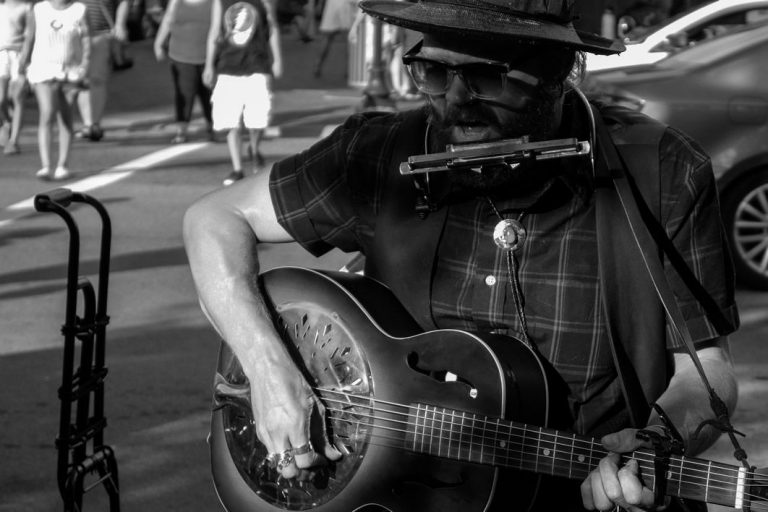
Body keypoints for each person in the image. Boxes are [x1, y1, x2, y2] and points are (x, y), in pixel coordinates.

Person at [183, 0, 739, 510]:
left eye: (484, 76)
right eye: (433, 71)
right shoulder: (379, 155)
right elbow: (213, 220)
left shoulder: (658, 170)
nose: (454, 100)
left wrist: (659, 442)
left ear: (559, 68)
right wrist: (268, 371)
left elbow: (706, 372)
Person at [202, 0, 282, 186]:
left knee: (257, 120)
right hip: (228, 67)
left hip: (257, 65)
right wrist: (208, 65)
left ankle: (254, 149)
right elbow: (214, 32)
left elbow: (273, 28)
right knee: (231, 121)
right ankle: (237, 168)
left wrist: (277, 59)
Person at [20, 0, 89, 180]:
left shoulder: (79, 10)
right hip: (43, 68)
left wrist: (85, 65)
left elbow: (87, 38)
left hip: (70, 70)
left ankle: (62, 164)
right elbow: (29, 38)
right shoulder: (39, 9)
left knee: (65, 116)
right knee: (48, 111)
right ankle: (46, 165)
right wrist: (21, 66)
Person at [153, 0, 214, 144]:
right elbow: (168, 19)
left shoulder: (214, 2)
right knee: (184, 94)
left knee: (209, 94)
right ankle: (182, 129)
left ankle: (212, 128)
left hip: (208, 55)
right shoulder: (176, 1)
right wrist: (158, 43)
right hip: (181, 55)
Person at [74, 0, 128, 141]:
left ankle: (94, 124)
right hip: (75, 33)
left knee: (97, 79)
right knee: (81, 80)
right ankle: (88, 124)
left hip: (101, 34)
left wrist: (120, 24)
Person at [0, 0, 32, 155]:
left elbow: (30, 36)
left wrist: (25, 59)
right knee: (1, 99)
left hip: (18, 55)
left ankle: (13, 141)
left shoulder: (26, 8)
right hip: (1, 55)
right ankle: (6, 123)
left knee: (17, 97)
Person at [312, 0, 355, 77]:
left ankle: (318, 66)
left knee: (327, 37)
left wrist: (320, 4)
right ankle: (349, 69)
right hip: (346, 4)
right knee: (349, 38)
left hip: (332, 4)